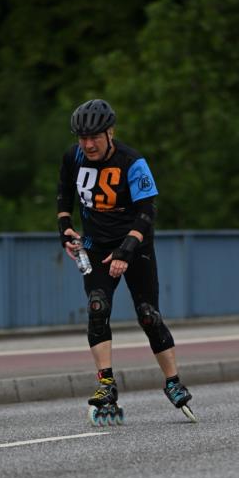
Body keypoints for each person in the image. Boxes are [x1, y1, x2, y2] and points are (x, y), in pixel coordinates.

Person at [57, 98, 195, 424]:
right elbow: (63, 192)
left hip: (135, 244)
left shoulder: (132, 161)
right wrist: (64, 227)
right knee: (97, 307)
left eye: (94, 137)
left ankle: (173, 381)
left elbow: (148, 212)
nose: (88, 144)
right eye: (82, 137)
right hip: (94, 245)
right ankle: (106, 386)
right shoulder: (73, 157)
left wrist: (125, 252)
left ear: (110, 132)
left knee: (148, 315)